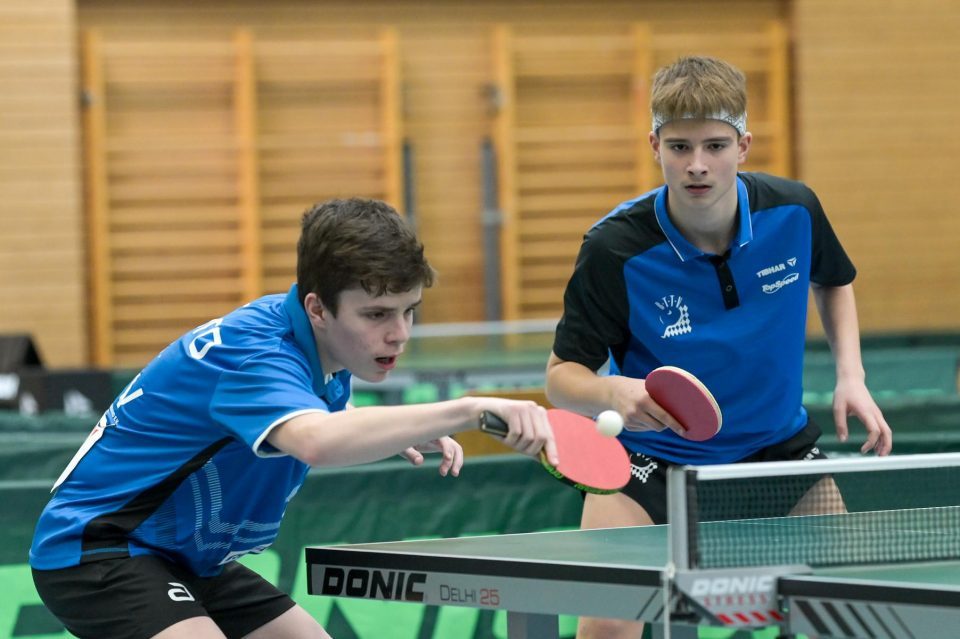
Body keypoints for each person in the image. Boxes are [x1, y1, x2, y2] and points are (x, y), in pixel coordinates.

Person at [30, 197, 558, 639]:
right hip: (99, 548)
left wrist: (397, 427)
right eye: (376, 315)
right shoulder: (253, 354)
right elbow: (315, 441)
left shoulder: (313, 342)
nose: (399, 333)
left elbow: (319, 406)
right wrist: (469, 408)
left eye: (409, 310)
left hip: (183, 555)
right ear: (318, 308)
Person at [543, 56, 893, 639]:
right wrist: (611, 389)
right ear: (655, 144)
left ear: (744, 145)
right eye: (679, 147)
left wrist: (851, 375)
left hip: (778, 452)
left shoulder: (794, 211)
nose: (697, 165)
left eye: (715, 145)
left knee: (851, 614)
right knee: (605, 630)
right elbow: (560, 377)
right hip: (653, 465)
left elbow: (833, 279)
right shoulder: (615, 250)